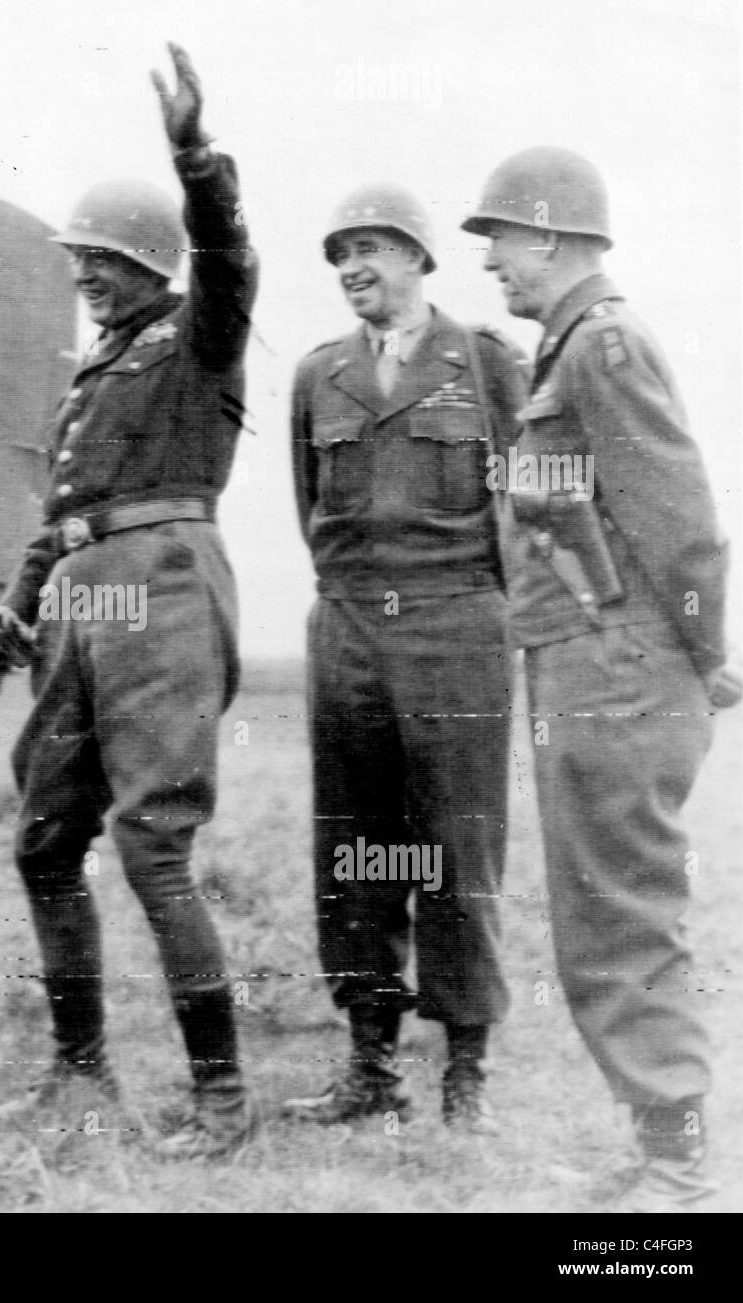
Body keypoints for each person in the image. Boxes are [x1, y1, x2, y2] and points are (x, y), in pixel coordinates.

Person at [0, 43, 258, 1159]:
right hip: (80, 604)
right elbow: (61, 514)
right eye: (76, 256)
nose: (82, 273)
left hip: (163, 595)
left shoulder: (199, 340)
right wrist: (14, 602)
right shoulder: (95, 371)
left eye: (101, 258)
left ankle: (223, 1099)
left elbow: (229, 259)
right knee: (46, 841)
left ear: (150, 263)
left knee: (151, 847)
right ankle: (79, 1071)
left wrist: (195, 158)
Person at [462, 146, 740, 1210]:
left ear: (548, 234)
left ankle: (680, 1171)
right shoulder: (565, 349)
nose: (492, 265)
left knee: (623, 915)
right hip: (584, 662)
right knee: (597, 918)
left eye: (500, 244)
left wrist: (697, 656)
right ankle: (658, 1141)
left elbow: (682, 524)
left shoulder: (604, 346)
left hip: (617, 667)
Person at [282, 185, 528, 1133]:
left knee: (459, 851)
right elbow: (312, 509)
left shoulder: (485, 362)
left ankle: (466, 1079)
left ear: (421, 258)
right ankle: (369, 1065)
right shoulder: (318, 375)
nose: (353, 265)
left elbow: (520, 503)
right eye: (340, 250)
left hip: (456, 624)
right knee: (356, 847)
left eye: (373, 247)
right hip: (347, 628)